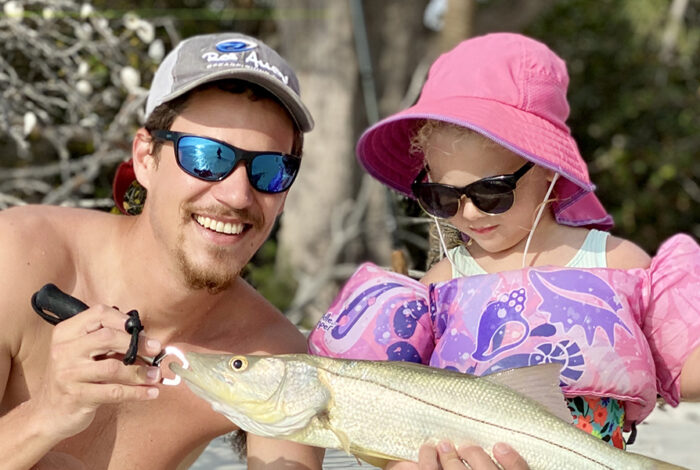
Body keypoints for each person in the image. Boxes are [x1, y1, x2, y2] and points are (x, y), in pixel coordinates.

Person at [308, 32, 700, 469]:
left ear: (549, 171)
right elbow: (390, 417)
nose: (470, 213)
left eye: (491, 193)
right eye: (443, 197)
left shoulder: (615, 264)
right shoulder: (441, 283)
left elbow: (690, 371)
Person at [0, 32, 325, 469]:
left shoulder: (271, 356)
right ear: (145, 158)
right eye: (207, 157)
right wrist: (47, 414)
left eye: (270, 171)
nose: (236, 195)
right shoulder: (16, 256)